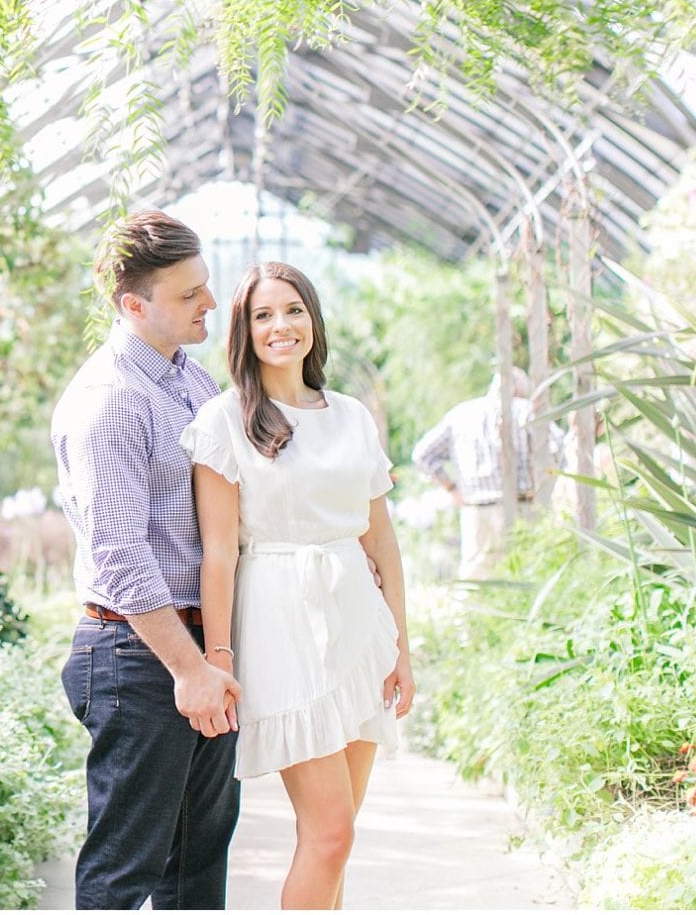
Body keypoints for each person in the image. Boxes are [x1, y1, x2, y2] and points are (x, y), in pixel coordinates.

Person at [181, 261, 414, 910]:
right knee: (329, 834)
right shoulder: (225, 420)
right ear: (244, 332)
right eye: (263, 315)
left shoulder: (351, 416)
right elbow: (220, 553)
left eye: (293, 310)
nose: (280, 325)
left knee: (339, 835)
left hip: (358, 622)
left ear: (312, 319)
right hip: (280, 621)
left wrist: (402, 648)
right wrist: (218, 657)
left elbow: (383, 541)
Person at [51, 211, 243, 909]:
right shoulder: (111, 401)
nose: (210, 305)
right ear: (134, 305)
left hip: (199, 651)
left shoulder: (191, 383)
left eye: (206, 286)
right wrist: (189, 670)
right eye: (190, 294)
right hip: (141, 657)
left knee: (196, 870)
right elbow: (122, 556)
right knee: (124, 872)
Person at [411, 370, 561, 579]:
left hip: (476, 510)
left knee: (477, 576)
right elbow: (557, 448)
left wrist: (452, 488)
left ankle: (473, 611)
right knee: (529, 572)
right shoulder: (527, 410)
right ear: (518, 390)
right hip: (523, 505)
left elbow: (422, 455)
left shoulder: (461, 415)